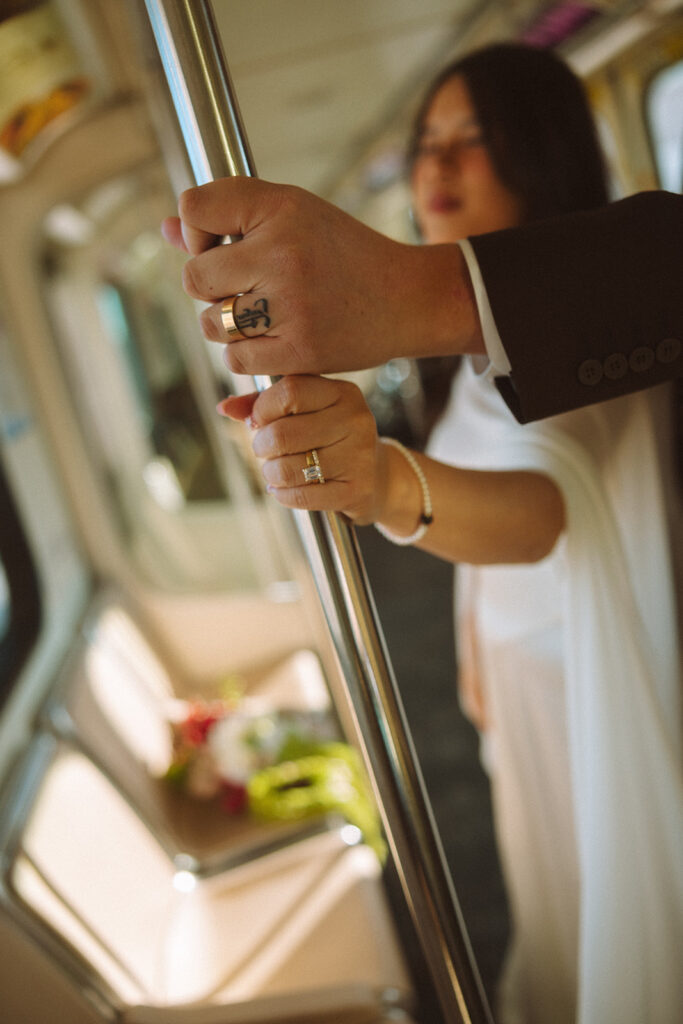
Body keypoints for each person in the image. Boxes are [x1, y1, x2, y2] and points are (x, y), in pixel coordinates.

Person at [165, 44, 683, 1024]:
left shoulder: (596, 327)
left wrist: (381, 481)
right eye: (425, 143)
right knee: (551, 891)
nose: (436, 168)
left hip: (582, 673)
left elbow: (541, 513)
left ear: (540, 154)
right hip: (519, 681)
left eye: (471, 141)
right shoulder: (470, 361)